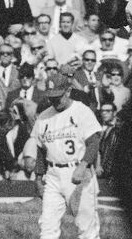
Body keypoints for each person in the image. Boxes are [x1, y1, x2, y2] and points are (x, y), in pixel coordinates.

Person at [33, 74, 102, 239]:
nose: (54, 101)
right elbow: (41, 150)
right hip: (53, 175)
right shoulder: (43, 117)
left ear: (68, 91)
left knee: (86, 228)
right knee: (47, 227)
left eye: (58, 96)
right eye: (51, 97)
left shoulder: (81, 111)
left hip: (78, 170)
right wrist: (38, 177)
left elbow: (94, 142)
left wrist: (83, 165)